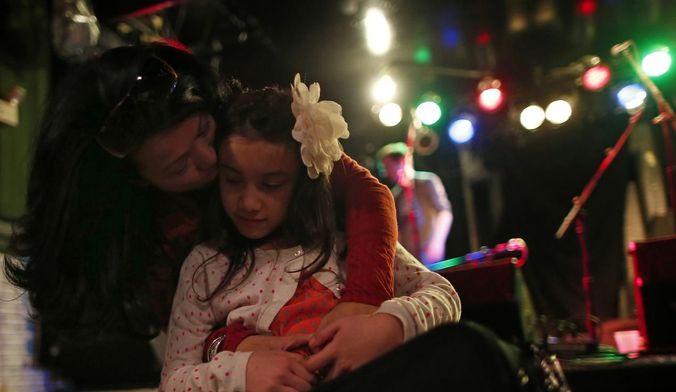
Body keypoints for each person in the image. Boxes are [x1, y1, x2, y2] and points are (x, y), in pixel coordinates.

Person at [2, 42, 398, 343]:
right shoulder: (160, 247)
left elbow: (368, 194)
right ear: (141, 182)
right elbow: (189, 342)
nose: (210, 159)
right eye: (179, 167)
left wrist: (364, 299)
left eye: (204, 131)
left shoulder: (259, 132)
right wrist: (231, 350)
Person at [158, 78, 461, 392]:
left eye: (271, 184)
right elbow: (173, 386)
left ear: (303, 183)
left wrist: (392, 324)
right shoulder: (207, 265)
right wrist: (241, 372)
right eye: (231, 180)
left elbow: (444, 296)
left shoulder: (342, 241)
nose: (248, 202)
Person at [375, 142, 453, 265]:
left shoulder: (427, 181)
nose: (386, 172)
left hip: (429, 251)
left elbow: (444, 213)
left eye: (388, 166)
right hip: (410, 257)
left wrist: (437, 242)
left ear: (401, 161)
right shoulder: (394, 195)